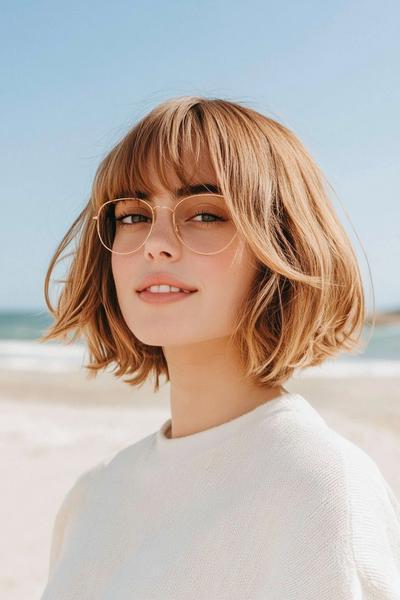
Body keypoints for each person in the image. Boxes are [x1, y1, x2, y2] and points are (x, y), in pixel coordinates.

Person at [39, 96, 400, 599]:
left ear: (283, 243)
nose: (155, 243)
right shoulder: (94, 496)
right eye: (132, 215)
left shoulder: (324, 490)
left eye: (205, 214)